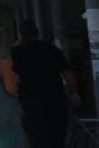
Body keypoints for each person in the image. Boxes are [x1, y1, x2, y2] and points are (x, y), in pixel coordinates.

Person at [12, 20, 79, 148]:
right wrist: (74, 92)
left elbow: (12, 76)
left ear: (20, 34)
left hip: (30, 102)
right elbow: (67, 73)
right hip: (56, 100)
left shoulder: (16, 53)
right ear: (37, 33)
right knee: (57, 139)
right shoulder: (53, 50)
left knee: (37, 140)